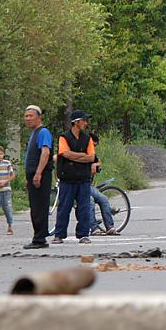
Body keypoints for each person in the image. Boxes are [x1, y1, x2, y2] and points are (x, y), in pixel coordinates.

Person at [53, 110, 95, 244]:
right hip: (67, 178)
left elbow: (91, 157)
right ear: (77, 122)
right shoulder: (63, 137)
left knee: (84, 208)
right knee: (64, 207)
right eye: (84, 120)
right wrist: (82, 156)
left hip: (83, 178)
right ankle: (59, 234)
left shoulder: (87, 138)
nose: (86, 123)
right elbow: (65, 153)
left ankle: (83, 234)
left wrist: (75, 156)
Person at [22, 105, 53, 250]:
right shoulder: (34, 133)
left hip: (41, 175)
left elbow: (45, 152)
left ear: (39, 117)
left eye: (31, 116)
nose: (27, 119)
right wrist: (28, 177)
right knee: (35, 207)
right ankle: (38, 236)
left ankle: (40, 238)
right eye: (26, 116)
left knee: (40, 207)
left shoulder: (43, 132)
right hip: (33, 176)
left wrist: (39, 173)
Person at [87, 133, 117, 235]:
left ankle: (110, 227)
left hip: (88, 185)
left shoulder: (92, 153)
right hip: (79, 183)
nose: (93, 148)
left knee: (103, 199)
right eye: (93, 145)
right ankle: (94, 228)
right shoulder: (81, 149)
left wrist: (94, 165)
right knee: (90, 201)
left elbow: (99, 162)